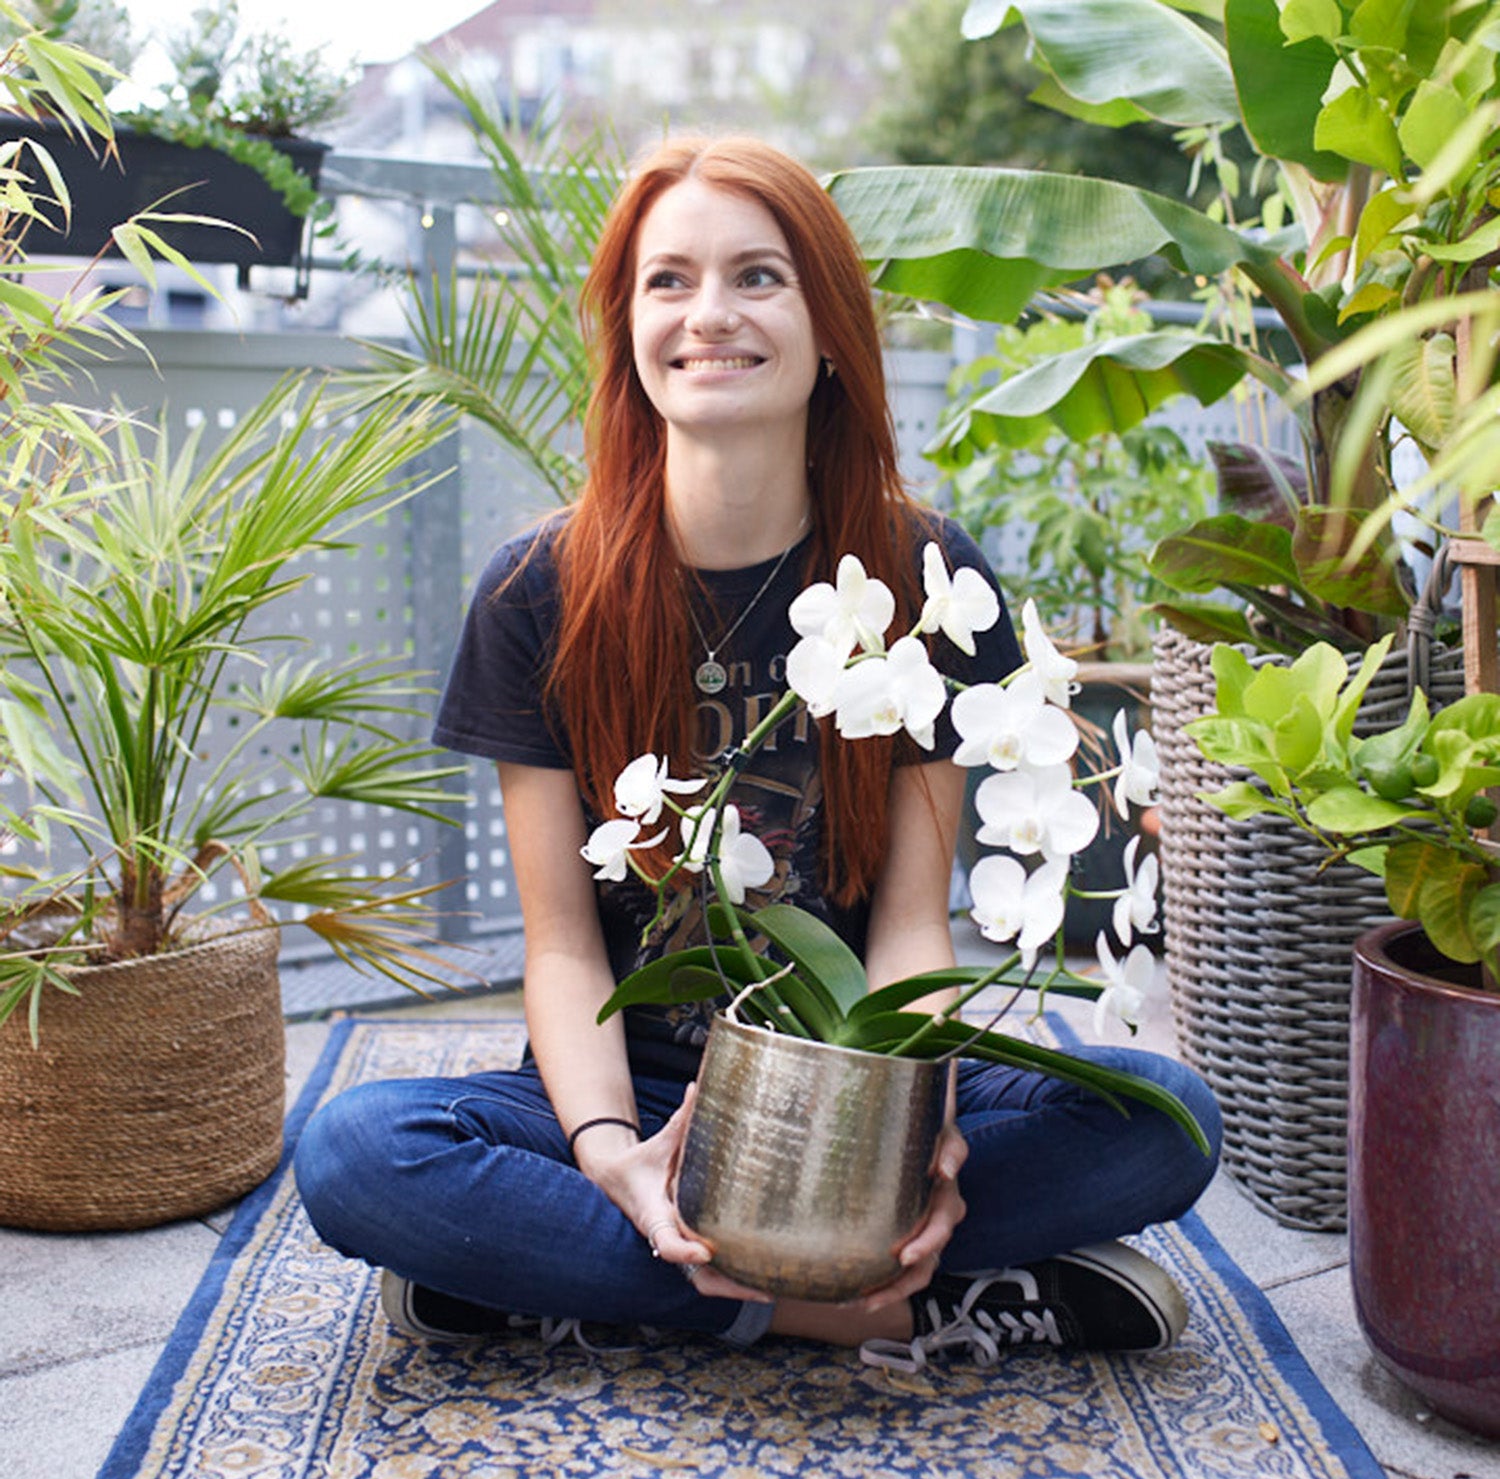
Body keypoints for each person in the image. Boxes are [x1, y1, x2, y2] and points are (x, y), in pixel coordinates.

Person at [294, 135, 1222, 1372]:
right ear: (628, 327)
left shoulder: (921, 580)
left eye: (758, 278)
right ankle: (852, 1306)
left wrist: (913, 1141)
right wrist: (611, 1155)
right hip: (632, 1084)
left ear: (829, 325)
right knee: (359, 1154)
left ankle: (566, 1288)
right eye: (668, 281)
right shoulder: (539, 593)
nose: (709, 315)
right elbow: (567, 947)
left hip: (851, 1087)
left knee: (1169, 1120)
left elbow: (910, 931)